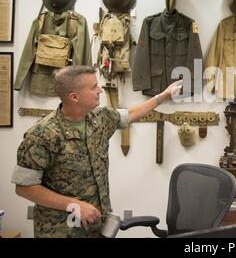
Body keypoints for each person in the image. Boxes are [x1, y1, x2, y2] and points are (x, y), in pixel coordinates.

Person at [11, 66, 181, 238]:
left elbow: (130, 114)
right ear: (74, 96)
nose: (99, 90)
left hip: (96, 227)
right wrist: (74, 205)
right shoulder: (42, 135)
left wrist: (162, 96)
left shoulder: (99, 118)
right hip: (61, 230)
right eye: (93, 87)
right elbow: (24, 187)